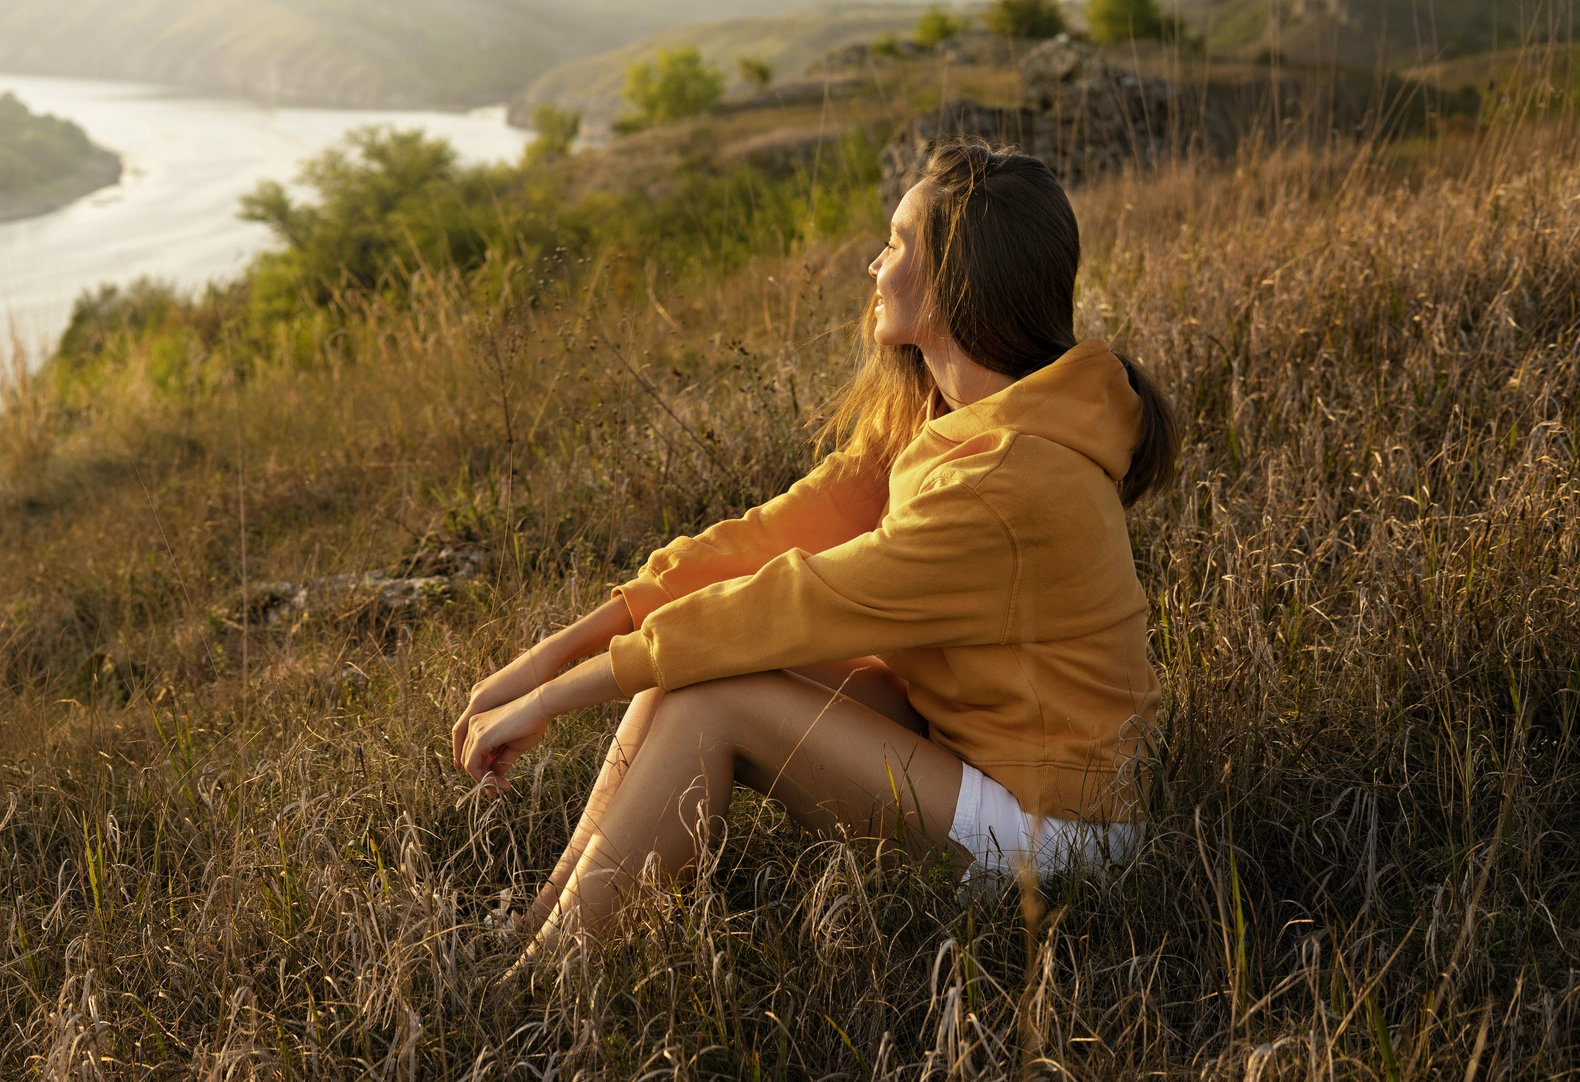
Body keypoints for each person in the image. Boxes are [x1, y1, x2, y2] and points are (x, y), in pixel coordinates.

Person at [451, 141, 1177, 956]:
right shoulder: (952, 416)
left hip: (1061, 842)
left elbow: (793, 603)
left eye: (897, 243)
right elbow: (774, 534)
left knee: (713, 693)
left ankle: (548, 984)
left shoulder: (1002, 479)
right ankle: (536, 929)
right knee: (697, 672)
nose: (874, 263)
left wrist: (552, 700)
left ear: (955, 279)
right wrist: (550, 654)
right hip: (970, 754)